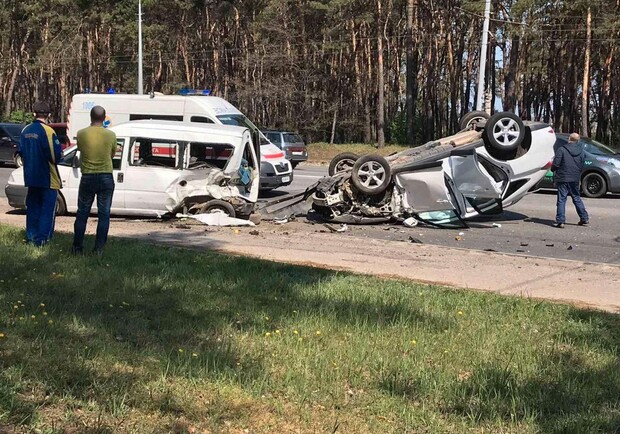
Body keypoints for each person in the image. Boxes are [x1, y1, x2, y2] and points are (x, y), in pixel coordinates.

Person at [72, 106, 117, 254]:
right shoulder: (111, 135)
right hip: (105, 177)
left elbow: (81, 151)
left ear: (90, 117)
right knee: (104, 214)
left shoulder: (81, 133)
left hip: (88, 177)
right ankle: (99, 249)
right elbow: (112, 154)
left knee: (82, 213)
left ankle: (77, 247)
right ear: (104, 118)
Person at [18, 101, 63, 246]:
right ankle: (43, 240)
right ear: (48, 115)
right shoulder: (49, 131)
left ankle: (31, 237)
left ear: (34, 114)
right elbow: (55, 156)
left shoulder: (25, 130)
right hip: (48, 178)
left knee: (33, 208)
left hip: (31, 177)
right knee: (47, 210)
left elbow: (21, 152)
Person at [551, 132, 589, 228]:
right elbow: (582, 164)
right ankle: (584, 218)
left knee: (561, 199)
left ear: (569, 139)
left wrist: (553, 170)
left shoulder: (562, 150)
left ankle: (561, 221)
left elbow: (556, 164)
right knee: (576, 198)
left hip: (563, 178)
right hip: (575, 178)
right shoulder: (581, 151)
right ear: (578, 141)